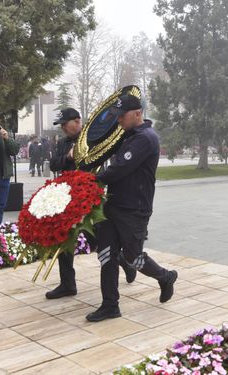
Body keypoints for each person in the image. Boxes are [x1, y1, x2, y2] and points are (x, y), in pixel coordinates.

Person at [86, 93, 178, 322]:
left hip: (134, 209)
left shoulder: (145, 138)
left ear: (137, 114)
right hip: (115, 204)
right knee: (106, 254)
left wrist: (90, 181)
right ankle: (110, 305)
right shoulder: (128, 135)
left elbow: (119, 169)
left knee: (133, 257)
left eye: (122, 116)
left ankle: (165, 277)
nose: (118, 120)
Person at [45, 107, 137, 300]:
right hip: (67, 198)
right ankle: (67, 284)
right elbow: (54, 163)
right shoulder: (63, 143)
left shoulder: (93, 139)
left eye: (65, 124)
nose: (63, 128)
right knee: (63, 240)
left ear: (77, 122)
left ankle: (124, 263)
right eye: (61, 125)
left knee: (97, 241)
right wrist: (67, 157)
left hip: (88, 199)